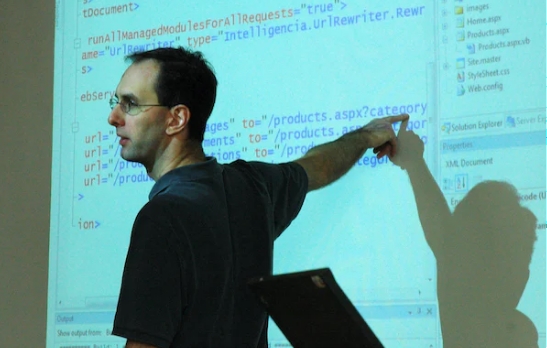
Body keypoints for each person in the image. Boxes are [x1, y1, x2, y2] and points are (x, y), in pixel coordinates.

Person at [107, 46, 408, 348]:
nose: (113, 117)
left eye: (130, 104)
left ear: (177, 119)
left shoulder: (161, 218)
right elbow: (319, 166)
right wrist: (367, 135)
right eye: (117, 102)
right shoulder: (253, 186)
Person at [391, 122, 539, 347]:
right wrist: (414, 162)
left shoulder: (461, 296)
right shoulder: (520, 333)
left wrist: (414, 162)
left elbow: (440, 226)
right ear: (522, 278)